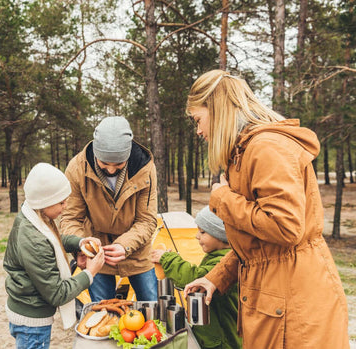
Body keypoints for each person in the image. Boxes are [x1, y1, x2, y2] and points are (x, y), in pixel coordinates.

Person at [182, 70, 349, 348]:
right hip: (276, 301)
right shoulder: (244, 153)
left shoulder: (267, 147)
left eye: (198, 120)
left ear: (218, 109)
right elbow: (258, 246)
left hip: (295, 308)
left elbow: (285, 228)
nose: (199, 131)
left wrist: (222, 199)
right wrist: (216, 278)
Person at [4, 163, 105, 349]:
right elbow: (58, 294)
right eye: (61, 202)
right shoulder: (33, 239)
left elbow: (54, 240)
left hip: (27, 312)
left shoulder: (33, 217)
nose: (65, 206)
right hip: (31, 323)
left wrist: (79, 243)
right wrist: (89, 273)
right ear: (44, 201)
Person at [61, 116, 158, 302]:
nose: (111, 170)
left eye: (119, 164)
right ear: (96, 153)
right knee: (102, 309)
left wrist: (125, 245)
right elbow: (71, 218)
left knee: (150, 304)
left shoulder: (146, 169)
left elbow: (147, 220)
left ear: (128, 155)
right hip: (97, 251)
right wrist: (81, 245)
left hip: (136, 250)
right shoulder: (76, 169)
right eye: (104, 163)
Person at [151, 206, 241, 349]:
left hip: (223, 341)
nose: (197, 236)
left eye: (202, 232)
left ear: (221, 235)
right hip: (212, 336)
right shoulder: (214, 256)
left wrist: (168, 259)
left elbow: (195, 277)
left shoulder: (224, 263)